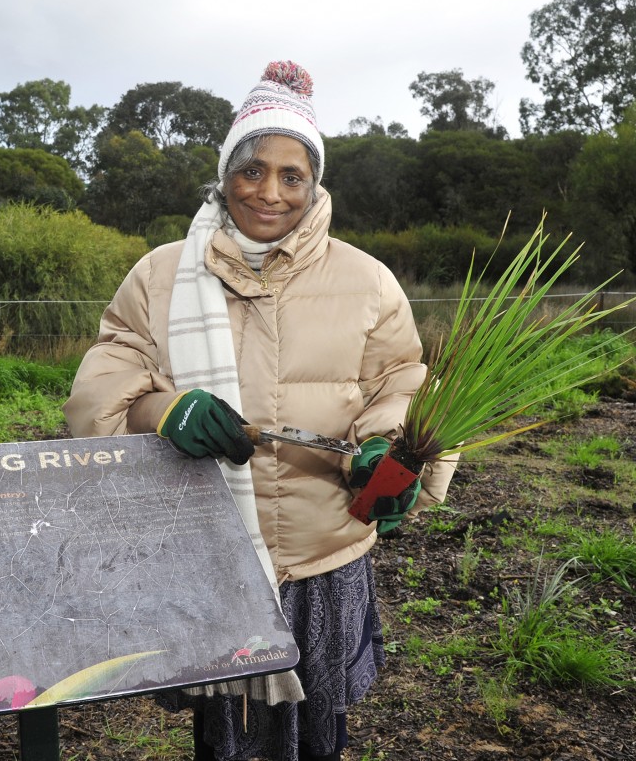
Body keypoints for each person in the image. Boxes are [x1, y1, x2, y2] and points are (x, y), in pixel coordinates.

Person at [63, 60, 455, 761]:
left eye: (291, 175)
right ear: (225, 174)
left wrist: (387, 451)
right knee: (223, 738)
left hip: (323, 558)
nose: (269, 193)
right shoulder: (158, 276)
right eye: (251, 170)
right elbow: (103, 384)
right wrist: (163, 411)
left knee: (318, 735)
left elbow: (403, 381)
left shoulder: (366, 281)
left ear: (314, 183)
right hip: (212, 558)